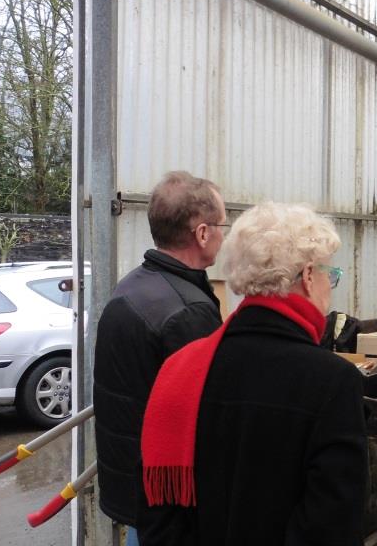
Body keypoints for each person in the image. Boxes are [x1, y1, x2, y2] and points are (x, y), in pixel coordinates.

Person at [141, 202, 368, 545]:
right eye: (329, 274)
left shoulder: (182, 368)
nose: (329, 285)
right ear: (307, 276)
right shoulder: (332, 380)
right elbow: (331, 526)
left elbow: (158, 513)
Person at [94, 171, 227, 545]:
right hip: (166, 505)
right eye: (221, 225)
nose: (222, 234)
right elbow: (205, 414)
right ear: (202, 233)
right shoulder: (187, 311)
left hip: (130, 486)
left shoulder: (133, 284)